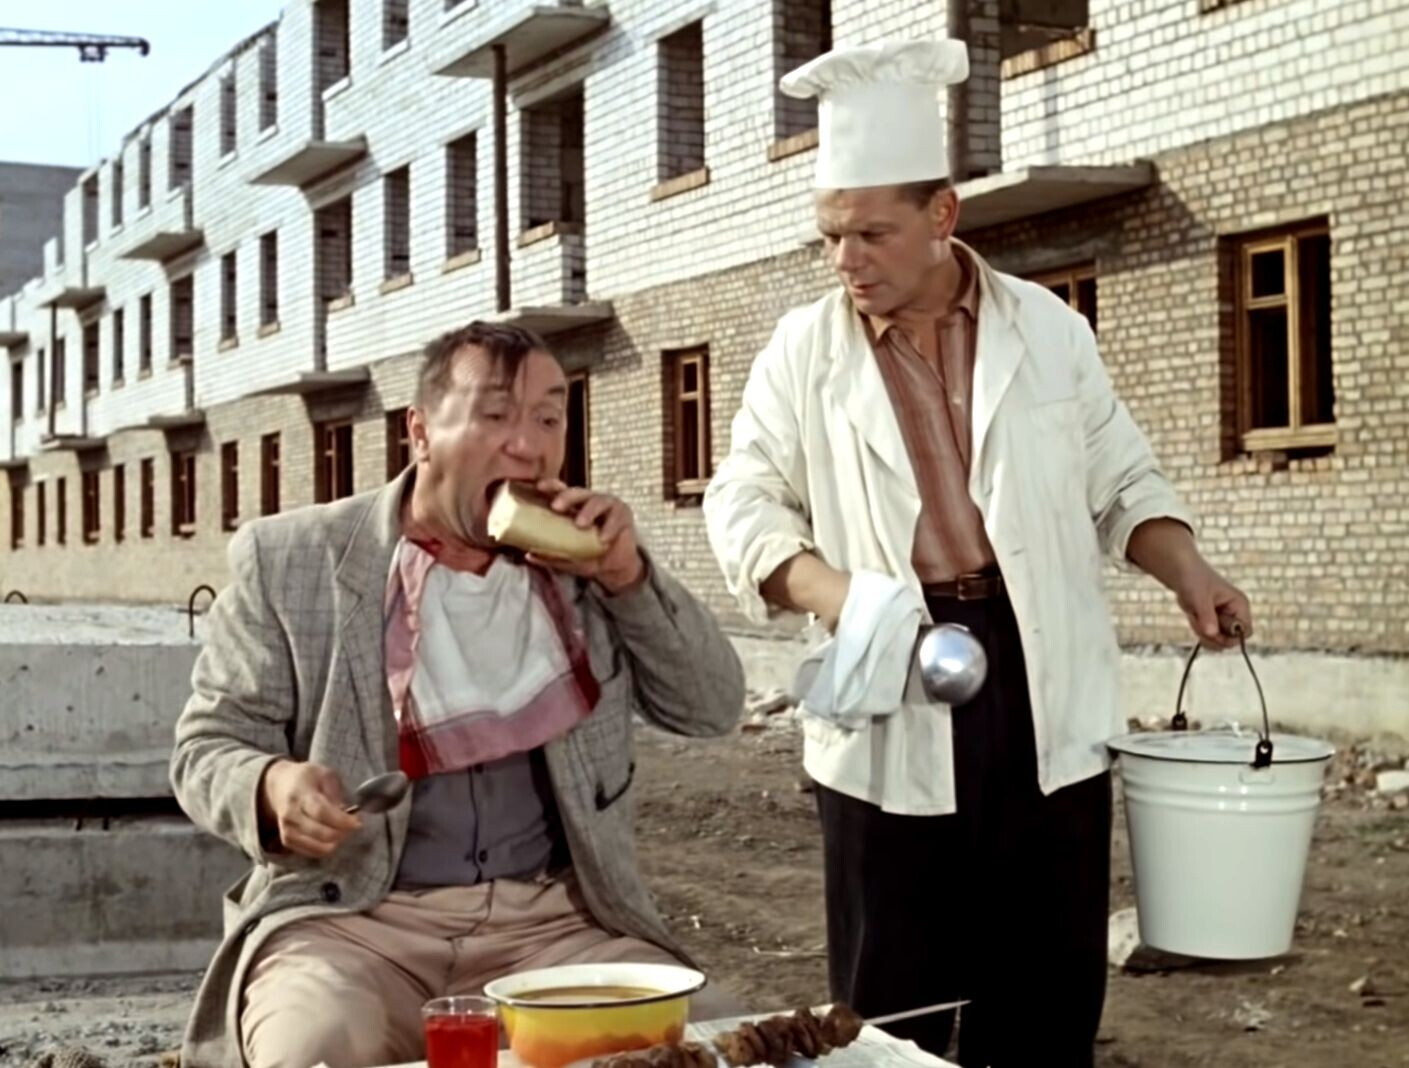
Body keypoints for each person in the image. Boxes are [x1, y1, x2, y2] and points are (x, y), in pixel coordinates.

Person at [702, 40, 1253, 1068]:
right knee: (889, 997)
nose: (846, 259)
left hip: (1037, 665)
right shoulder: (801, 351)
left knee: (1044, 978)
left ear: (941, 215)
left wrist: (1188, 570)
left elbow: (1120, 479)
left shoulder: (1047, 329)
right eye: (830, 235)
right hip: (887, 660)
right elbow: (740, 499)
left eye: (871, 232)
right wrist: (835, 593)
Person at [172, 321, 746, 1068]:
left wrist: (628, 579)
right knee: (312, 1048)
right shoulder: (292, 558)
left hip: (556, 925)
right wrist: (271, 785)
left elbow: (711, 706)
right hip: (352, 924)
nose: (528, 445)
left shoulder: (585, 568)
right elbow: (206, 747)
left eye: (549, 418)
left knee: (716, 1041)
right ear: (420, 431)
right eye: (495, 414)